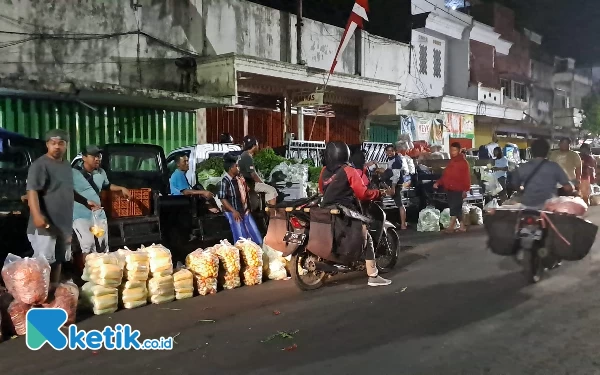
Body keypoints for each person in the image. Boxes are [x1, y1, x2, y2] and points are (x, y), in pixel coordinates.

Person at [26, 129, 99, 289]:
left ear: (66, 145)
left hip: (62, 225)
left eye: (61, 143)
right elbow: (32, 192)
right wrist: (37, 215)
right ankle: (38, 299)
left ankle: (52, 295)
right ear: (47, 145)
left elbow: (68, 190)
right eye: (53, 143)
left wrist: (85, 201)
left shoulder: (66, 166)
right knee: (43, 264)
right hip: (45, 226)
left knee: (59, 259)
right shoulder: (40, 165)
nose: (57, 147)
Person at [319, 141, 392, 287]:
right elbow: (363, 193)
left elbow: (322, 190)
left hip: (326, 207)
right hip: (346, 210)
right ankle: (373, 276)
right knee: (367, 237)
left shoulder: (324, 170)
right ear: (345, 154)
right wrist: (378, 192)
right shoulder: (349, 170)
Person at [72, 145, 131, 256]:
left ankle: (103, 271)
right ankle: (89, 271)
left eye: (99, 156)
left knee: (102, 246)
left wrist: (121, 188)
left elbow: (106, 186)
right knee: (88, 246)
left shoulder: (101, 172)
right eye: (94, 156)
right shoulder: (73, 173)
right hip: (80, 215)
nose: (97, 158)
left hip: (98, 214)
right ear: (84, 157)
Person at [512, 138, 572, 208]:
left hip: (527, 205)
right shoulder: (554, 167)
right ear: (547, 152)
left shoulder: (522, 167)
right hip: (549, 206)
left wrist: (522, 190)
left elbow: (515, 185)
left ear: (531, 151)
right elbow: (568, 188)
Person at [218, 153, 262, 245]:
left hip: (244, 210)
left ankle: (257, 250)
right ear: (231, 168)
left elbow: (247, 191)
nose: (238, 168)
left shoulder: (239, 178)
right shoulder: (224, 181)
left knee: (255, 234)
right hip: (233, 212)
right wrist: (233, 211)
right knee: (241, 237)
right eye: (236, 166)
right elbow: (223, 199)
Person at [433, 142, 471, 233]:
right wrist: (438, 183)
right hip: (450, 188)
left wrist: (465, 190)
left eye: (454, 150)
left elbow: (466, 177)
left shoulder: (463, 163)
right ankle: (462, 226)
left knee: (454, 208)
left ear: (459, 150)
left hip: (458, 189)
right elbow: (446, 175)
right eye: (451, 150)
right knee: (457, 208)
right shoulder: (452, 161)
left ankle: (451, 227)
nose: (452, 152)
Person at [238, 136, 278, 206]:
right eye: (257, 145)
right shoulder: (247, 157)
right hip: (249, 184)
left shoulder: (244, 155)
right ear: (254, 146)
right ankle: (272, 213)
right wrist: (263, 183)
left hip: (246, 182)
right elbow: (253, 175)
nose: (258, 147)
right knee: (272, 190)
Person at [383, 145, 408, 230]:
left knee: (400, 204)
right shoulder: (391, 159)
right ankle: (402, 223)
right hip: (393, 184)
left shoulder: (397, 161)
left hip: (397, 184)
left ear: (395, 151)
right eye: (388, 151)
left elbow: (396, 176)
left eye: (391, 151)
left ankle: (403, 225)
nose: (389, 153)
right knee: (399, 204)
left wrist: (393, 188)